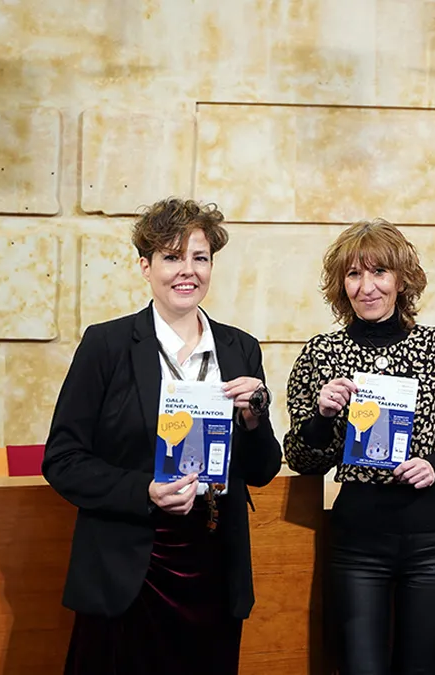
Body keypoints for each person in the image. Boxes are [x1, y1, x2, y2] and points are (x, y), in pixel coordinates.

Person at [42, 198, 283, 675]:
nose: (187, 271)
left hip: (214, 565)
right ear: (145, 266)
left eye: (200, 257)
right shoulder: (106, 345)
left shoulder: (239, 347)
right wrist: (145, 490)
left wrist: (255, 416)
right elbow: (63, 459)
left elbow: (261, 471)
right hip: (130, 564)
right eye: (172, 257)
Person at [284, 218, 435, 675]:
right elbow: (301, 458)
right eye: (354, 274)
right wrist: (322, 416)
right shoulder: (321, 353)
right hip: (358, 543)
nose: (367, 287)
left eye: (379, 272)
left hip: (434, 541)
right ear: (341, 285)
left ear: (402, 280)